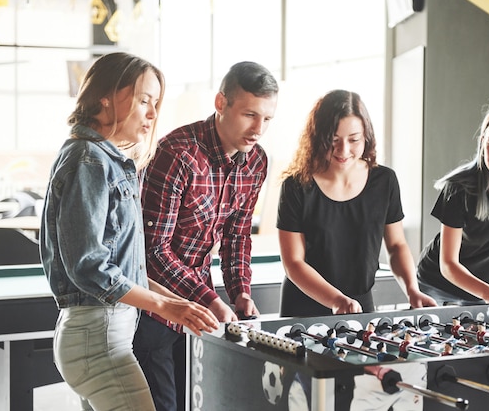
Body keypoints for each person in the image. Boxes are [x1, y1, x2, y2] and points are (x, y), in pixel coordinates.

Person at [39, 52, 218, 411]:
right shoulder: (87, 159)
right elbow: (89, 266)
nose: (152, 114)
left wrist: (176, 304)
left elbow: (124, 269)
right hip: (98, 338)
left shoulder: (106, 159)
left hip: (104, 335)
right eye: (143, 101)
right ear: (106, 96)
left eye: (156, 103)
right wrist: (165, 305)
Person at [134, 61, 279, 411]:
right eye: (249, 114)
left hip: (200, 312)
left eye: (267, 118)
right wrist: (210, 299)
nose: (258, 128)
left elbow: (237, 234)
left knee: (197, 404)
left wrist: (240, 291)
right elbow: (152, 252)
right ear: (220, 103)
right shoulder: (177, 154)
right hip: (153, 309)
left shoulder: (256, 161)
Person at [277, 89, 436, 318]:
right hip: (304, 307)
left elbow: (397, 246)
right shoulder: (296, 186)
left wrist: (412, 290)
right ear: (318, 138)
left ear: (366, 137)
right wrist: (337, 299)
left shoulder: (385, 181)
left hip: (359, 306)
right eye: (333, 140)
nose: (343, 150)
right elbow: (293, 263)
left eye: (353, 140)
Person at [416, 99, 489, 305]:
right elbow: (448, 265)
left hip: (487, 288)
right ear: (482, 142)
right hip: (437, 285)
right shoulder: (458, 188)